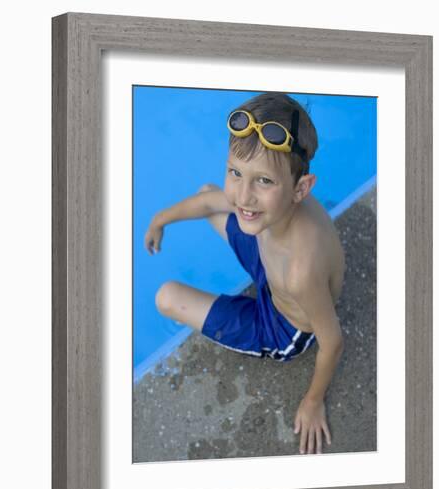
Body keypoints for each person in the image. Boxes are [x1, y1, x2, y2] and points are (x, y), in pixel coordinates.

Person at [144, 92, 345, 455]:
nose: (244, 195)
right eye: (235, 172)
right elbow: (211, 201)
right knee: (209, 194)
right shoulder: (276, 207)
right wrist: (160, 219)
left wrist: (313, 401)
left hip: (282, 326)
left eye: (263, 182)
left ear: (302, 188)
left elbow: (332, 341)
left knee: (166, 297)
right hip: (271, 262)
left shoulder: (301, 271)